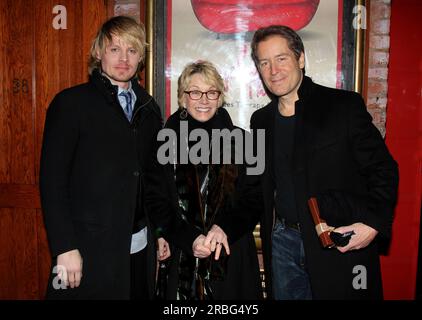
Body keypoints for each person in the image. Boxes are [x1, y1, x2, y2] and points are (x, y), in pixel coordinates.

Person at [249, 25, 399, 300]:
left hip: (336, 240)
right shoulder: (261, 121)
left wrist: (373, 223)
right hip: (283, 244)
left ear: (300, 59)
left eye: (281, 58)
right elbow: (256, 188)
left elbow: (383, 169)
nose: (273, 70)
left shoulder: (342, 106)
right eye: (265, 63)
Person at [39, 16, 169, 299]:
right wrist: (64, 247)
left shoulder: (149, 108)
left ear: (140, 58)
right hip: (85, 250)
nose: (124, 59)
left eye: (132, 50)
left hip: (139, 248)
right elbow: (52, 183)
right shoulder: (70, 104)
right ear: (98, 52)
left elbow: (154, 181)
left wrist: (161, 232)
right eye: (115, 49)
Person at [145, 60, 262, 300]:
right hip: (182, 253)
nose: (204, 100)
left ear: (220, 96)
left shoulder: (243, 141)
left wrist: (224, 228)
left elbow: (255, 198)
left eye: (211, 92)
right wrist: (190, 238)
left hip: (231, 252)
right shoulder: (163, 141)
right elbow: (155, 200)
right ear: (183, 97)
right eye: (195, 92)